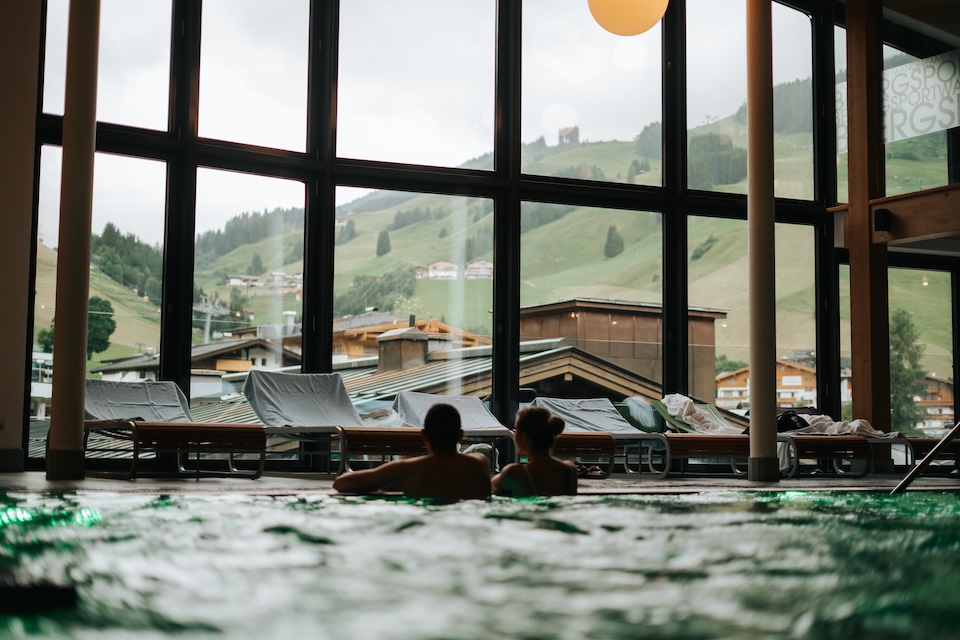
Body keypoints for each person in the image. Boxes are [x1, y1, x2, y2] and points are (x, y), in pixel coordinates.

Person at [332, 403, 491, 501]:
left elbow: (341, 483)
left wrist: (388, 482)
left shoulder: (405, 469)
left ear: (423, 436)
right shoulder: (479, 463)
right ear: (460, 436)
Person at [492, 406, 577, 497]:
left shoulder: (514, 472)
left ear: (524, 437)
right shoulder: (569, 471)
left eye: (516, 429)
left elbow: (489, 486)